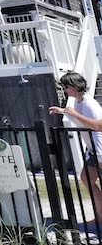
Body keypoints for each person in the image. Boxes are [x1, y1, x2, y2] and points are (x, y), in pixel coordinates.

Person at [50, 71, 102, 223]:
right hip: (93, 150)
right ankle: (100, 217)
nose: (64, 90)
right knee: (86, 178)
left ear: (74, 86)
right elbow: (83, 121)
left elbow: (98, 127)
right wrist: (63, 111)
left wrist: (99, 155)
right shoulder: (79, 102)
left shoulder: (89, 103)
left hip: (99, 149)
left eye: (66, 86)